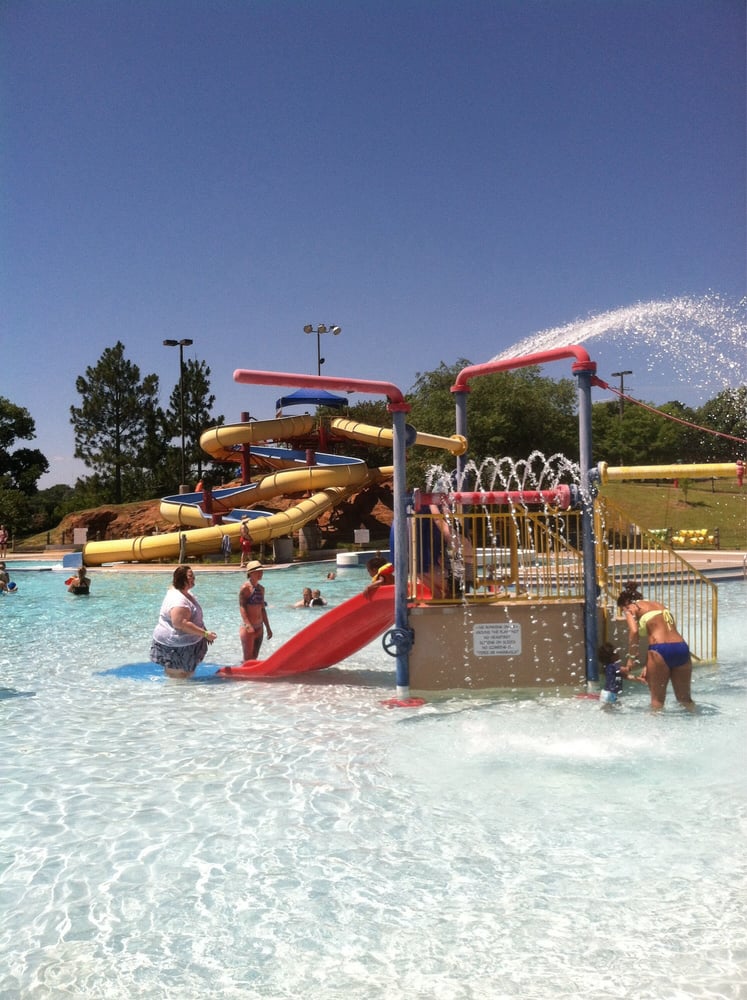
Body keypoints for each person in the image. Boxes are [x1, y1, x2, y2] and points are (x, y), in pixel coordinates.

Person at [617, 581, 695, 712]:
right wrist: (649, 664)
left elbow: (634, 631)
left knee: (657, 702)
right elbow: (664, 632)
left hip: (659, 650)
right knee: (685, 699)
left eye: (622, 609)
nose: (624, 613)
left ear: (625, 604)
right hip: (681, 648)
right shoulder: (659, 605)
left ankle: (655, 732)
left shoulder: (631, 608)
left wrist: (631, 660)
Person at [149, 565, 217, 678]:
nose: (194, 577)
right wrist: (205, 634)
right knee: (179, 675)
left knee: (183, 674)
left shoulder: (181, 592)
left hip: (182, 643)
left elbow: (172, 585)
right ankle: (178, 694)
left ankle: (181, 692)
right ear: (182, 579)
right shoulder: (178, 600)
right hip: (176, 646)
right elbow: (180, 624)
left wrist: (204, 631)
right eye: (190, 576)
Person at [239, 561, 272, 661]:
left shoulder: (261, 589)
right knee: (247, 658)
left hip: (259, 627)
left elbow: (262, 609)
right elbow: (242, 606)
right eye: (258, 571)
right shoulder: (245, 588)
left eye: (261, 571)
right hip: (249, 628)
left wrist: (268, 627)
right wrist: (247, 624)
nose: (261, 573)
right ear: (251, 573)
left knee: (255, 656)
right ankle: (243, 675)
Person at [597, 641, 633, 708]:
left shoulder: (609, 667)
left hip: (607, 693)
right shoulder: (614, 666)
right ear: (612, 657)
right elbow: (626, 670)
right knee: (611, 711)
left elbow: (625, 676)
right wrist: (631, 659)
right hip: (610, 694)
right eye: (616, 652)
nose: (618, 653)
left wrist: (640, 679)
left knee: (608, 711)